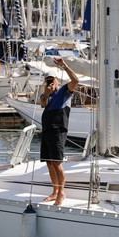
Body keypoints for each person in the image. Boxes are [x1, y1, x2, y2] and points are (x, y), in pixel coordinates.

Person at [39, 57, 79, 205]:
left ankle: (61, 192)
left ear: (57, 80)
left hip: (58, 129)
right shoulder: (46, 94)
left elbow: (76, 81)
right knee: (49, 162)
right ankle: (55, 191)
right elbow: (43, 105)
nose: (50, 82)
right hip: (47, 129)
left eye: (52, 80)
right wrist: (46, 94)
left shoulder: (64, 91)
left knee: (56, 162)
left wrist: (65, 66)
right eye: (47, 80)